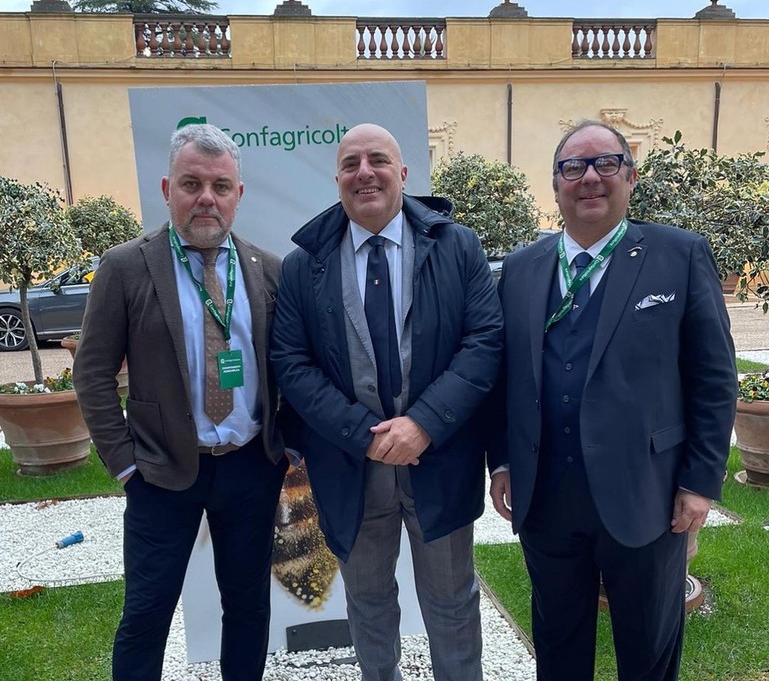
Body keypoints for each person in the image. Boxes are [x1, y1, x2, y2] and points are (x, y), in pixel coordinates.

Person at [488, 120, 737, 681]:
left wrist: (700, 481)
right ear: (555, 183)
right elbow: (504, 376)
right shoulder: (521, 269)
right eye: (573, 167)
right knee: (558, 647)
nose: (590, 178)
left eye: (606, 163)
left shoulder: (679, 255)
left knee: (648, 652)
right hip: (546, 497)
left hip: (648, 494)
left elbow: (715, 377)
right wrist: (501, 460)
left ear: (631, 176)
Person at [270, 123, 503, 681]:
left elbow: (484, 341)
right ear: (337, 179)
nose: (364, 172)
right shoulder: (303, 265)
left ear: (402, 173)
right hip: (350, 467)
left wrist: (423, 424)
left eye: (377, 160)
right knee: (369, 603)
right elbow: (292, 363)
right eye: (350, 164)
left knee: (452, 601)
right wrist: (363, 436)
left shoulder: (458, 247)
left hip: (439, 460)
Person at [73, 123, 289, 681]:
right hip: (161, 472)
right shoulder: (125, 267)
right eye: (192, 184)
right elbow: (91, 374)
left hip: (249, 468)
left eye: (221, 186)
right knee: (147, 615)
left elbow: (290, 369)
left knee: (248, 608)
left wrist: (286, 445)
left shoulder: (269, 270)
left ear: (238, 195)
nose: (206, 198)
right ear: (168, 189)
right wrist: (125, 465)